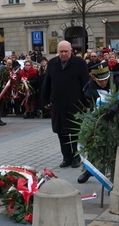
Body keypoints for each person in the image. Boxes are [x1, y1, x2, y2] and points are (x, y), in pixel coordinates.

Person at [77, 62, 119, 183]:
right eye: (100, 80)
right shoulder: (88, 89)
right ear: (93, 77)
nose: (104, 82)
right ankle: (91, 170)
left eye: (106, 79)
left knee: (116, 150)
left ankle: (115, 180)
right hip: (100, 120)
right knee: (95, 146)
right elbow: (90, 106)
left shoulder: (118, 78)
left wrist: (118, 104)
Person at [42, 40, 89, 168]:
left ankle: (76, 157)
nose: (63, 54)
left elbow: (86, 84)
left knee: (74, 132)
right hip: (58, 104)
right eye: (61, 51)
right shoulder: (52, 63)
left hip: (75, 104)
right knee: (61, 132)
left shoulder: (79, 63)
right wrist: (45, 100)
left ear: (71, 51)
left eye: (65, 51)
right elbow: (47, 83)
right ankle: (66, 157)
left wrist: (86, 103)